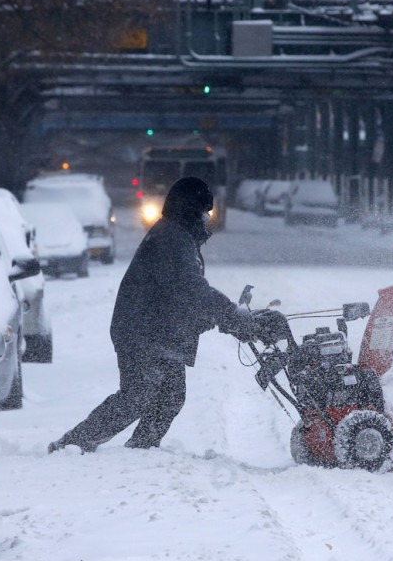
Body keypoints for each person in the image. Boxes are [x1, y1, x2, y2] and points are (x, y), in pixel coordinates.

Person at [48, 177, 254, 453]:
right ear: (191, 210)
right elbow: (190, 289)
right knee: (137, 395)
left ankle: (140, 449)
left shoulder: (178, 236)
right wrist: (228, 313)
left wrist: (221, 319)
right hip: (142, 331)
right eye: (204, 212)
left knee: (169, 397)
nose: (207, 219)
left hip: (156, 331)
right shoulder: (171, 239)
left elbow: (179, 297)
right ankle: (73, 444)